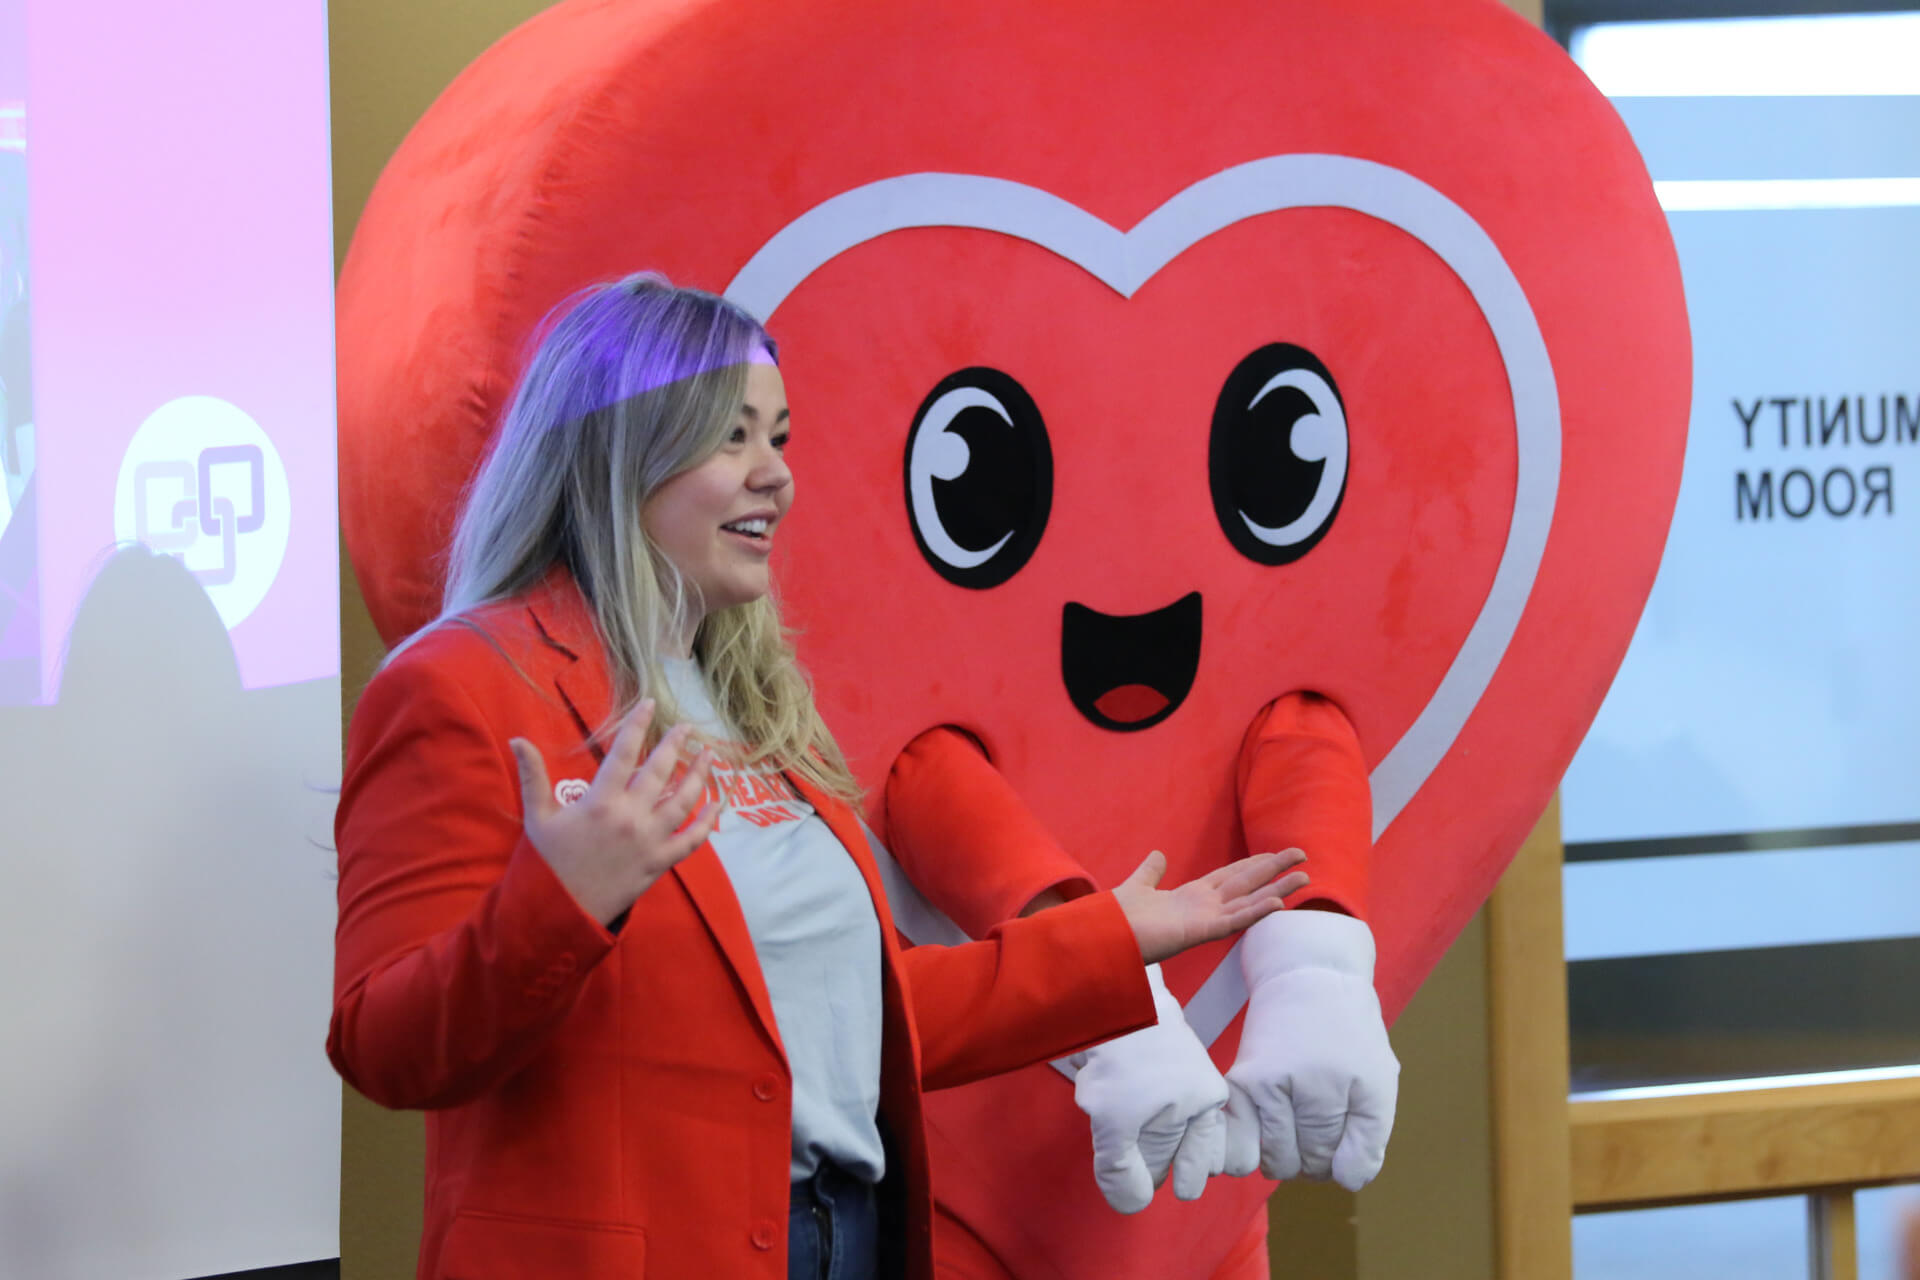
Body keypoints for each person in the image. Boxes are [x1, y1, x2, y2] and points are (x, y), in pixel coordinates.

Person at [327, 273, 1309, 1280]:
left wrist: (1109, 944)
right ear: (621, 453)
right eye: (732, 436)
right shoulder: (461, 686)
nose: (775, 476)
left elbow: (857, 1005)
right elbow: (384, 1041)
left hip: (846, 1239)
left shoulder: (750, 701)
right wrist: (563, 901)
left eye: (781, 438)